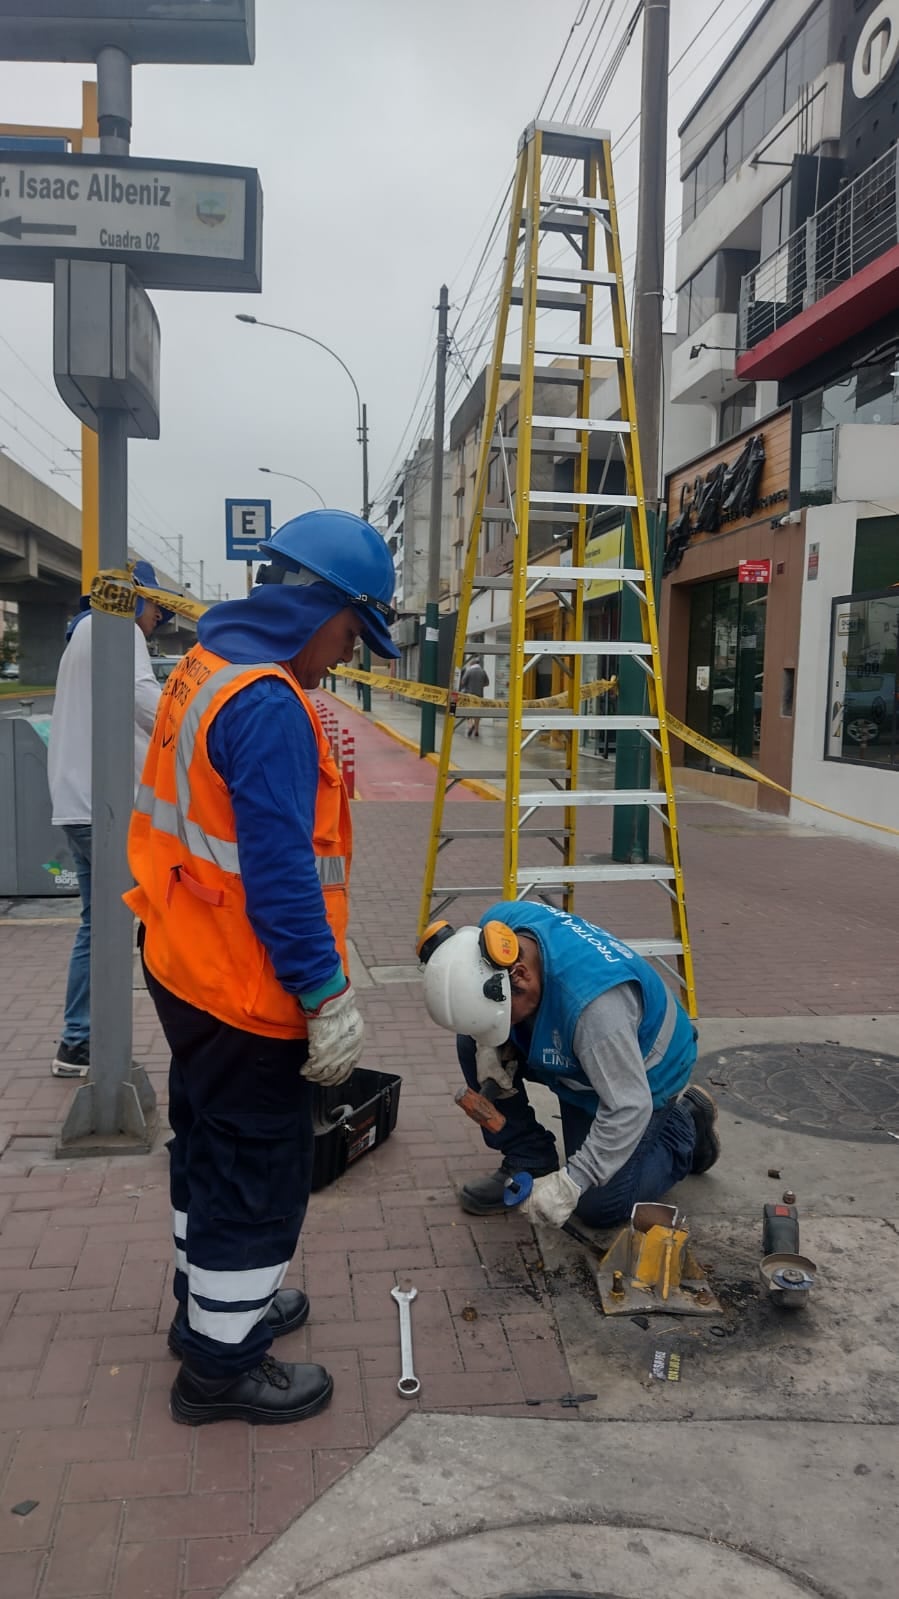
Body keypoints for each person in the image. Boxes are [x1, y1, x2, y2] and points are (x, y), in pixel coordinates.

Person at [125, 509, 399, 1428]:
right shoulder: (270, 706)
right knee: (254, 1171)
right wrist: (326, 998)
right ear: (318, 607)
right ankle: (220, 1366)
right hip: (244, 990)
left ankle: (207, 1304)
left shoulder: (204, 669)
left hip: (180, 960)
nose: (348, 653)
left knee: (204, 1142)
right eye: (352, 630)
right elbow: (282, 876)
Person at [418, 901, 719, 1231]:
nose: (501, 1028)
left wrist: (572, 1183)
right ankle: (530, 1159)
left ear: (520, 975)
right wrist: (486, 1044)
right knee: (469, 1042)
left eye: (503, 1017)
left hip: (646, 1073)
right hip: (580, 1057)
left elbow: (628, 1105)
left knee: (598, 1206)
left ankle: (685, 1124)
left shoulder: (596, 1011)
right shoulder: (498, 930)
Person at [47, 560, 174, 1078]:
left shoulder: (84, 633)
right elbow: (145, 701)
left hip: (78, 800)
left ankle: (78, 1037)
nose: (155, 625)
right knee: (109, 924)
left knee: (96, 924)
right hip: (102, 804)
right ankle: (81, 1041)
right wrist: (199, 721)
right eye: (157, 614)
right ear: (136, 597)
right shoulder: (118, 626)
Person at [459, 655, 489, 737]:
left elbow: (463, 682)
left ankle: (470, 725)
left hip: (470, 695)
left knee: (468, 711)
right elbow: (487, 683)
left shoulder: (469, 671)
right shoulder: (483, 671)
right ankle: (476, 730)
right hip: (480, 696)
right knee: (477, 713)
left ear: (472, 663)